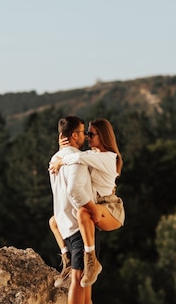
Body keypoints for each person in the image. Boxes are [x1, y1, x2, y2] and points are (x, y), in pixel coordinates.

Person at [49, 116, 107, 304]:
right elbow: (75, 191)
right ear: (73, 135)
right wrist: (93, 211)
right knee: (78, 277)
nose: (85, 136)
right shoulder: (76, 160)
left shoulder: (56, 158)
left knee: (86, 276)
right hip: (78, 223)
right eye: (83, 132)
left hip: (65, 222)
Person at [49, 118, 125, 288]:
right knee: (54, 221)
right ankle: (66, 258)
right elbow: (78, 155)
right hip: (98, 204)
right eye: (86, 133)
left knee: (83, 212)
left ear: (103, 136)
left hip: (110, 207)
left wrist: (61, 159)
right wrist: (63, 148)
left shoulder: (108, 157)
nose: (87, 137)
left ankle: (91, 260)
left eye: (91, 134)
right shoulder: (93, 155)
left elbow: (78, 157)